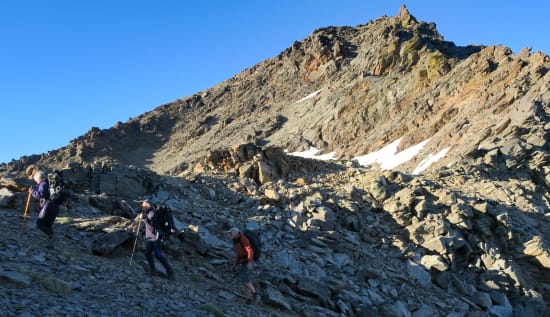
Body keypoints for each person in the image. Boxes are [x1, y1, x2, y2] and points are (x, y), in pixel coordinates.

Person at [139, 199, 174, 279]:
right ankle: (153, 271)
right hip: (151, 238)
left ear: (148, 205)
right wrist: (144, 217)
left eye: (144, 206)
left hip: (156, 238)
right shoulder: (149, 212)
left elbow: (153, 226)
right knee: (148, 253)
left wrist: (144, 218)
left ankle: (170, 271)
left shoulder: (152, 214)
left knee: (158, 255)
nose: (142, 207)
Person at [29, 170, 59, 248]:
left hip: (48, 206)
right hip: (56, 206)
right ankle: (51, 243)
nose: (36, 182)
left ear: (39, 178)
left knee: (40, 224)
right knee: (48, 225)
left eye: (36, 179)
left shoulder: (43, 184)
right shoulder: (50, 184)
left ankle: (52, 237)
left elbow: (40, 195)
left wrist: (32, 192)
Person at [229, 227, 258, 302]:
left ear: (235, 233)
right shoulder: (236, 240)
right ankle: (248, 298)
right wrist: (235, 264)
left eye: (231, 233)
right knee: (245, 279)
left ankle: (255, 293)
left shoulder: (243, 238)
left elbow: (249, 249)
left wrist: (249, 261)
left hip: (247, 261)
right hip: (243, 261)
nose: (230, 234)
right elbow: (239, 254)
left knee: (244, 279)